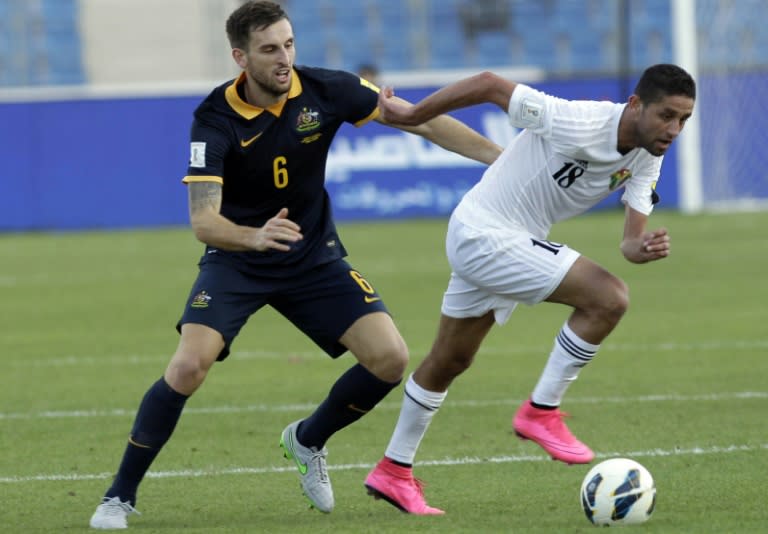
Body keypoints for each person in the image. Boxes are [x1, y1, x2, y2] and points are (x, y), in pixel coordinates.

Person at [88, 1, 501, 529]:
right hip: (238, 257)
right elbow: (203, 221)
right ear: (240, 57)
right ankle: (119, 496)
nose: (284, 59)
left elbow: (417, 121)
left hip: (311, 256)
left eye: (289, 44)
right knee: (190, 365)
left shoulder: (328, 89)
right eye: (269, 50)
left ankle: (307, 440)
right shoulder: (213, 119)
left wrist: (499, 156)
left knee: (390, 359)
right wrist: (254, 236)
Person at [364, 64, 696, 514]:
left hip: (508, 238)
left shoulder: (648, 154)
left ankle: (393, 470)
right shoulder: (577, 119)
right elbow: (488, 84)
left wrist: (642, 247)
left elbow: (629, 241)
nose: (673, 129)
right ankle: (541, 411)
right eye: (666, 115)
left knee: (450, 359)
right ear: (636, 104)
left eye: (683, 120)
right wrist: (411, 115)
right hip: (486, 232)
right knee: (608, 297)